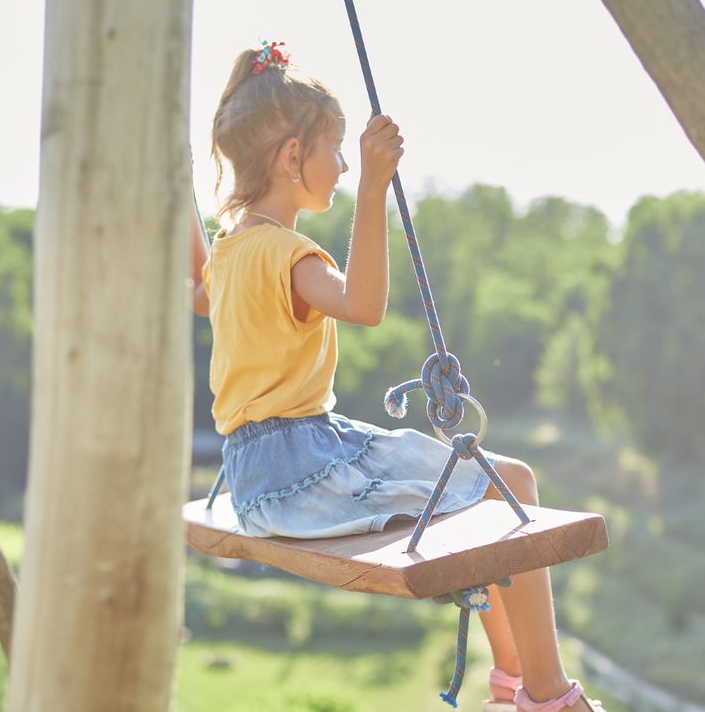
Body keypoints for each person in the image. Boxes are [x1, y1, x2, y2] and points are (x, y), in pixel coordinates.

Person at [186, 43, 601, 712]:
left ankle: (512, 685)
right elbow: (364, 306)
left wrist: (176, 187)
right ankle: (547, 696)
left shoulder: (231, 251)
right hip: (303, 466)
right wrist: (376, 188)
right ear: (293, 158)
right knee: (512, 483)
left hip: (256, 472)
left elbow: (199, 286)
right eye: (338, 150)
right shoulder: (287, 255)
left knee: (500, 490)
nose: (346, 165)